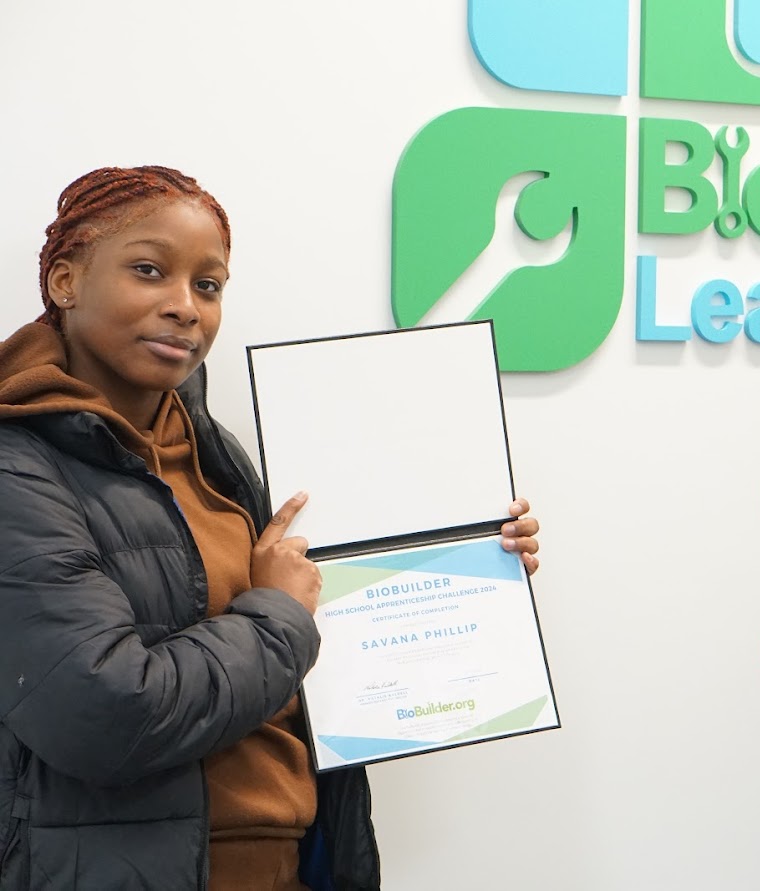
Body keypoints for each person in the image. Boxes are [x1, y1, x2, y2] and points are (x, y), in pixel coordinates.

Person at [0, 166, 542, 890]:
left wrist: (469, 566)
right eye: (149, 271)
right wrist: (280, 611)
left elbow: (293, 641)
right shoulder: (17, 465)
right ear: (65, 282)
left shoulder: (214, 454)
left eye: (208, 285)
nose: (185, 307)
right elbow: (105, 712)